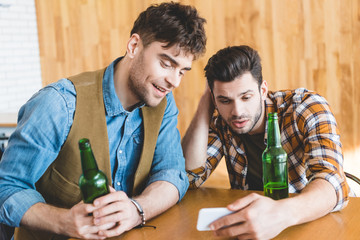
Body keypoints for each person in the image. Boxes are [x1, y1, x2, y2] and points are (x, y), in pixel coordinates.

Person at [0, 2, 206, 239]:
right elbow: (6, 187)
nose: (174, 81)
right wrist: (62, 221)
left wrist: (137, 209)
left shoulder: (163, 104)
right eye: (167, 64)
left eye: (182, 71)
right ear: (134, 46)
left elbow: (171, 173)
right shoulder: (59, 104)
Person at [182, 45, 351, 239]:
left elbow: (332, 183)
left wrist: (280, 214)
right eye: (225, 100)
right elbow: (188, 177)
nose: (237, 111)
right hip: (251, 229)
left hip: (307, 223)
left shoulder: (306, 107)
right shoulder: (220, 121)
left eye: (246, 97)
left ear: (263, 90)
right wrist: (205, 103)